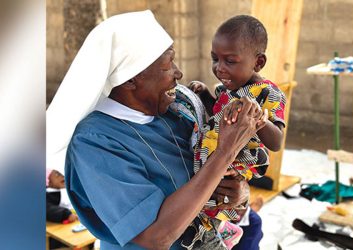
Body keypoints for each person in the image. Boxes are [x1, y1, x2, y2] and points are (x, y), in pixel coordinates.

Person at [46, 10, 267, 250]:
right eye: (167, 65)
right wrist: (226, 152)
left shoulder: (179, 108)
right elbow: (156, 236)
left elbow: (214, 178)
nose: (178, 73)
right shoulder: (95, 143)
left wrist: (237, 194)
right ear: (131, 79)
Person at [189, 15, 287, 250]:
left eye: (230, 61)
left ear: (258, 62)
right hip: (214, 153)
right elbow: (217, 111)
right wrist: (204, 94)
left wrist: (259, 120)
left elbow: (277, 141)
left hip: (238, 162)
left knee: (214, 199)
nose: (219, 68)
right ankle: (227, 230)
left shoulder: (267, 93)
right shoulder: (227, 89)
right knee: (204, 195)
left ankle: (219, 234)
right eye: (215, 59)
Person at [46, 168, 78, 249]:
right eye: (57, 175)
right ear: (48, 181)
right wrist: (66, 214)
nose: (62, 176)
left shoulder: (54, 192)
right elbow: (47, 208)